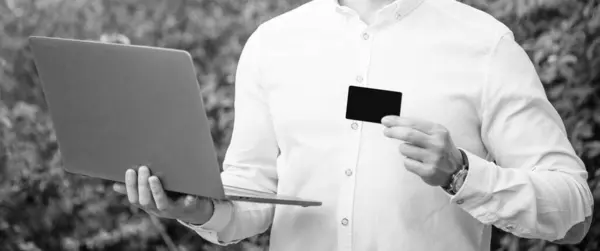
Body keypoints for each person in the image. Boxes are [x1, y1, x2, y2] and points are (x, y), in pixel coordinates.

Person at [112, 0, 595, 250]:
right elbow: (252, 195)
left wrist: (463, 173)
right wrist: (195, 207)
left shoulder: (486, 45)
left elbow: (574, 213)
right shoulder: (272, 45)